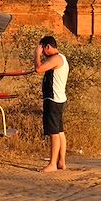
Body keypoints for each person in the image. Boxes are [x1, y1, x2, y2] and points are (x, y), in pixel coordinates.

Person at [34, 35, 68, 173]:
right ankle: (61, 162)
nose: (42, 52)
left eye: (43, 49)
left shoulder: (55, 59)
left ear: (47, 47)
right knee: (59, 132)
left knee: (54, 133)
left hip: (53, 100)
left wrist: (36, 55)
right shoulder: (61, 58)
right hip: (59, 99)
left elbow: (38, 69)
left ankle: (53, 163)